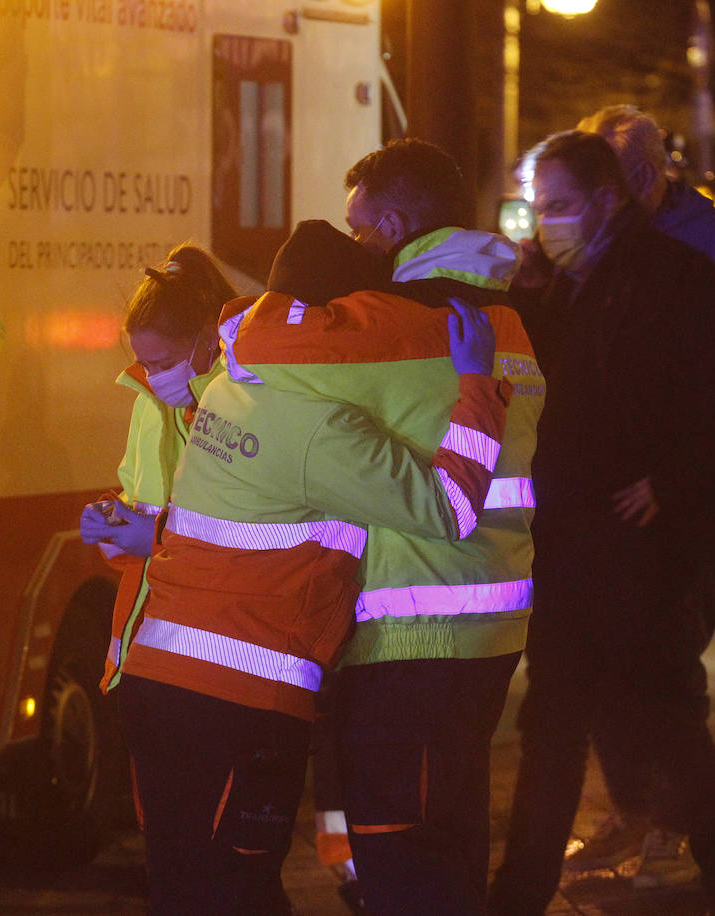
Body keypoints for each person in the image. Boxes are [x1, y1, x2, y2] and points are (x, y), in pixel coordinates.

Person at [116, 220, 512, 915]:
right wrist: (477, 382)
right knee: (232, 893)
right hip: (240, 702)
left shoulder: (231, 389)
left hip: (165, 682)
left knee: (190, 888)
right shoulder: (322, 426)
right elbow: (449, 507)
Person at [486, 130, 715, 916]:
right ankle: (524, 888)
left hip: (631, 544)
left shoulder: (666, 276)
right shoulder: (564, 286)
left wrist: (674, 481)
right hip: (574, 536)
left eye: (558, 206)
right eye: (536, 206)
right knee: (568, 716)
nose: (543, 221)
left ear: (605, 202)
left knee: (649, 712)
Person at [270, 138, 539, 915]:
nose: (355, 245)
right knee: (450, 842)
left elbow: (266, 360)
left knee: (403, 859)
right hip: (484, 622)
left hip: (410, 630)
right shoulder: (505, 320)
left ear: (392, 224)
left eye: (359, 229)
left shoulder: (396, 322)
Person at [557, 105, 715, 888]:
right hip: (610, 501)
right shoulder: (601, 250)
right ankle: (640, 812)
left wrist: (682, 473)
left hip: (676, 503)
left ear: (639, 176)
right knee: (615, 667)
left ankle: (676, 826)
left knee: (665, 666)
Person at [79, 244, 238, 695]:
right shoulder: (149, 407)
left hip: (212, 660)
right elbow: (140, 500)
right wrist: (114, 521)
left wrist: (150, 537)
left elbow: (241, 540)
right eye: (145, 365)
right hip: (147, 657)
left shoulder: (241, 408)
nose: (153, 378)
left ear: (210, 336)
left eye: (165, 364)